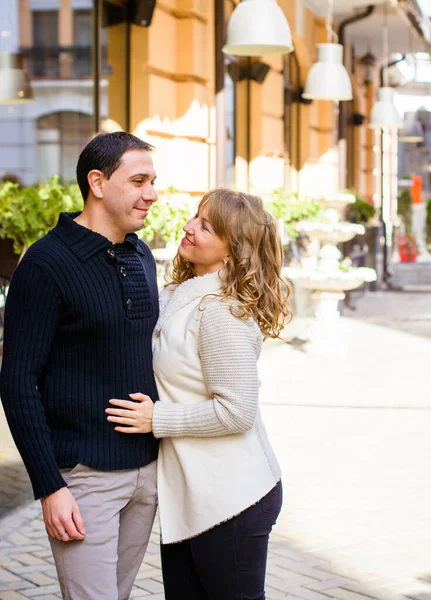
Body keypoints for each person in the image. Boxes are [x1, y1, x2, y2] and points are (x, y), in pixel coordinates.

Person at [106, 188, 292, 600]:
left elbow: (237, 411)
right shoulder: (180, 294)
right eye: (195, 217)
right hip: (194, 497)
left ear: (232, 252)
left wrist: (156, 419)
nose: (189, 227)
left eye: (206, 226)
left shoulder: (221, 312)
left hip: (233, 498)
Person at [0, 132, 160, 600]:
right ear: (97, 182)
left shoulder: (141, 254)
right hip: (83, 477)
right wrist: (50, 485)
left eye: (153, 181)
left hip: (146, 472)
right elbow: (17, 380)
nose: (151, 193)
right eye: (138, 181)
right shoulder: (46, 263)